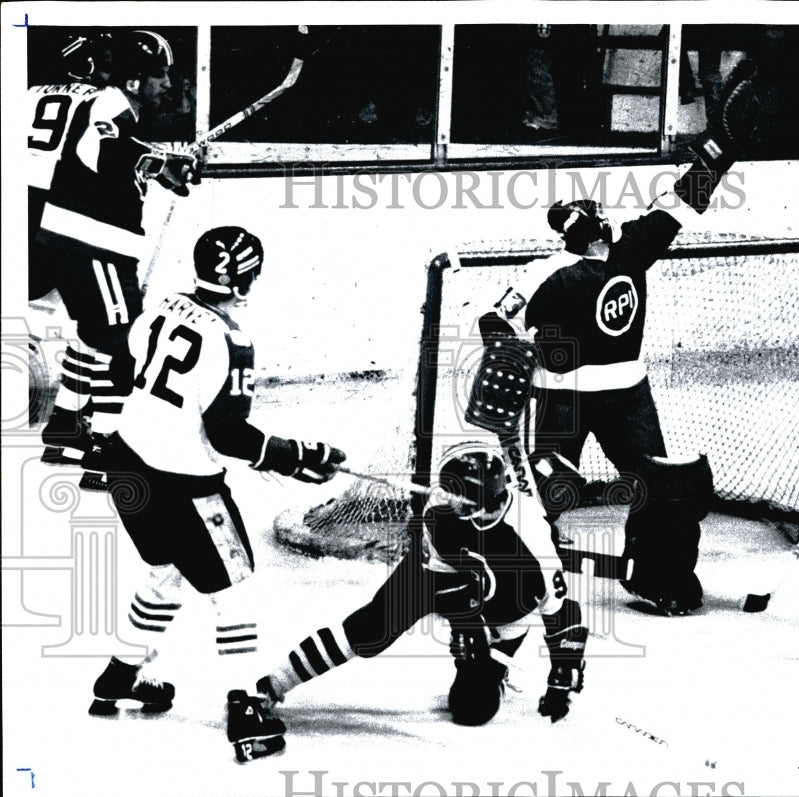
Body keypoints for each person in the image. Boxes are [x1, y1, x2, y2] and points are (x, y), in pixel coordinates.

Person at [467, 61, 759, 617]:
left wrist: (722, 148)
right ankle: (530, 572)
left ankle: (635, 573)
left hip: (606, 394)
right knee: (574, 486)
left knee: (620, 485)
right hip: (586, 397)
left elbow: (681, 198)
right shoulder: (588, 258)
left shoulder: (600, 255)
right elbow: (495, 318)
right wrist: (721, 149)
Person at [89, 226, 347, 759]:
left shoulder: (164, 306)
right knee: (236, 591)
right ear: (247, 277)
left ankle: (120, 673)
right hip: (184, 487)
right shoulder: (233, 339)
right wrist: (300, 454)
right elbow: (229, 435)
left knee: (169, 570)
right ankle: (246, 712)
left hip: (127, 469)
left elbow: (124, 363)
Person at [236, 442, 589, 761]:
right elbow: (435, 575)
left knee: (471, 709)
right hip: (449, 579)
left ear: (479, 502)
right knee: (370, 630)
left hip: (505, 609)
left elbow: (562, 613)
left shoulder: (531, 543)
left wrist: (563, 674)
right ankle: (273, 685)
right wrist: (465, 621)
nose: (444, 498)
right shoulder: (440, 512)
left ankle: (491, 674)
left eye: (456, 496)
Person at [36, 30, 199, 488]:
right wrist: (157, 162)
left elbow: (112, 161)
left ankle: (65, 428)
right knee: (122, 341)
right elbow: (108, 151)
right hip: (94, 241)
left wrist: (162, 164)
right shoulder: (107, 103)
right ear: (133, 81)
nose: (168, 84)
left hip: (70, 234)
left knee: (94, 332)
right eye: (160, 75)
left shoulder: (105, 107)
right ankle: (106, 454)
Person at [28, 32, 114, 306]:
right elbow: (109, 152)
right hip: (55, 200)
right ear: (88, 66)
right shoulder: (101, 99)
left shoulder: (30, 92)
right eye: (107, 65)